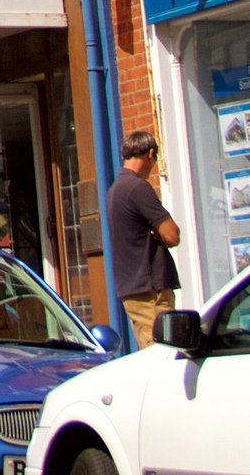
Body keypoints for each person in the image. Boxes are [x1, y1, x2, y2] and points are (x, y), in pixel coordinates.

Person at [105, 131, 181, 348]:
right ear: (150, 154)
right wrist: (159, 231)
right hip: (150, 290)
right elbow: (172, 235)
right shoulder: (137, 187)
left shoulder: (114, 191)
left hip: (132, 287)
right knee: (163, 351)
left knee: (149, 347)